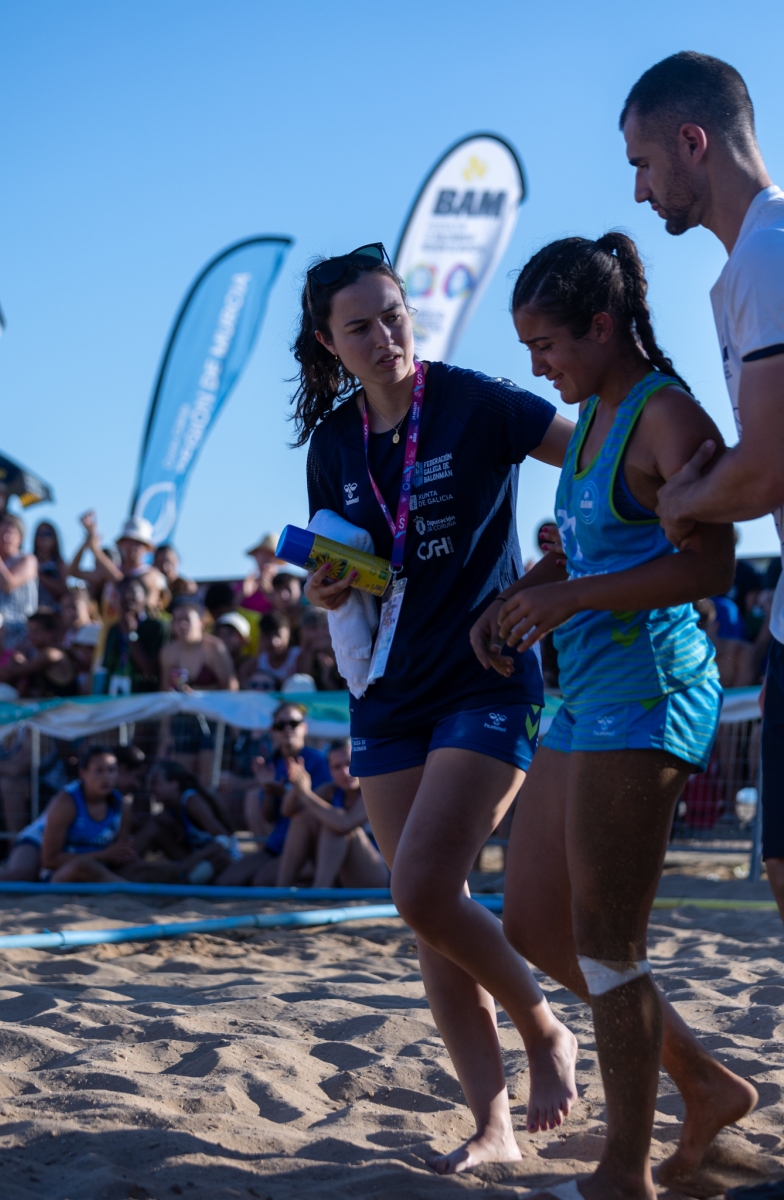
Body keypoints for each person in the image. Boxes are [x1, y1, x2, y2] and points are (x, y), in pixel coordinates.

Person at [472, 232, 757, 1200]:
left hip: (649, 695)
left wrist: (569, 598)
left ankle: (622, 1174)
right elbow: (595, 550)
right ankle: (704, 1083)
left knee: (605, 943)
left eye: (545, 345)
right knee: (531, 920)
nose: (535, 366)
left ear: (601, 326)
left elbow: (712, 566)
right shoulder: (592, 410)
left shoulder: (663, 414)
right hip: (586, 693)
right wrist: (523, 596)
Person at [296, 241, 577, 1172]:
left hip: (485, 677)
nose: (385, 337)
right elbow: (342, 561)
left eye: (394, 315)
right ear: (330, 343)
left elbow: (594, 463)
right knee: (432, 912)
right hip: (387, 690)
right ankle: (492, 1127)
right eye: (360, 327)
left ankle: (544, 1029)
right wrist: (326, 587)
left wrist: (560, 563)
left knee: (418, 888)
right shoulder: (334, 444)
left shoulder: (475, 400)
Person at [619, 53, 784, 928]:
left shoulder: (769, 255)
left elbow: (768, 469)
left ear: (693, 142)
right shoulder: (757, 258)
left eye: (645, 163)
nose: (640, 190)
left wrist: (678, 503)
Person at [221, 702, 331, 885]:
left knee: (262, 882)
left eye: (293, 724)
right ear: (273, 731)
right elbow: (269, 817)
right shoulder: (272, 762)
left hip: (307, 847)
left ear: (304, 728)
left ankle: (314, 874)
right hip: (278, 844)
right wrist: (269, 791)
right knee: (227, 881)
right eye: (280, 725)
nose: (287, 729)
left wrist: (286, 792)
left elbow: (322, 807)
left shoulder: (318, 761)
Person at [277, 738, 389, 888]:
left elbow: (345, 824)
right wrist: (297, 787)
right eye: (337, 767)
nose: (345, 772)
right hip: (340, 872)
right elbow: (288, 811)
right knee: (304, 818)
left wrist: (305, 794)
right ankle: (282, 889)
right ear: (330, 771)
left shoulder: (373, 790)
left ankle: (319, 891)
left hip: (378, 872)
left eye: (349, 763)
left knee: (336, 828)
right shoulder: (330, 790)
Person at [159, 599, 238, 782]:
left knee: (207, 780)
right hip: (183, 721)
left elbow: (231, 690)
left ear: (201, 622)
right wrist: (165, 735)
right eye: (177, 620)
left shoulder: (215, 648)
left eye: (187, 619)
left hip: (213, 720)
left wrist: (199, 696)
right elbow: (165, 693)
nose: (181, 625)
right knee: (182, 778)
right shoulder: (168, 652)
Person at [130, 759, 240, 884]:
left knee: (218, 859)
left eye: (155, 783)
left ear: (174, 784)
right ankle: (128, 864)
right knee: (154, 827)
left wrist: (194, 859)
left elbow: (225, 839)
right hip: (195, 857)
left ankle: (185, 880)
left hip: (220, 860)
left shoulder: (191, 800)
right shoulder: (170, 806)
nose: (150, 789)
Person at [41, 745, 135, 883]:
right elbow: (49, 860)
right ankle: (128, 890)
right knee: (82, 866)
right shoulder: (65, 803)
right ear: (83, 773)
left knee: (153, 868)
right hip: (62, 877)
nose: (106, 777)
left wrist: (124, 854)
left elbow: (117, 857)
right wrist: (102, 855)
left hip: (105, 874)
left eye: (111, 770)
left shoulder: (123, 805)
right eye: (99, 771)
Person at [0, 608, 78, 698]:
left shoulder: (50, 654)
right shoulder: (40, 653)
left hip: (67, 708)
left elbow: (10, 673)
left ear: (51, 632)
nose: (30, 635)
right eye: (29, 630)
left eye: (36, 630)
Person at [102, 576, 166, 694]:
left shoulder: (156, 627)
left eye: (133, 592)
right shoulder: (114, 629)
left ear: (145, 597)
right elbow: (107, 665)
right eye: (122, 592)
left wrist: (131, 634)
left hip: (143, 695)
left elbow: (151, 671)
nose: (127, 596)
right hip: (114, 693)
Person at [0, 513, 38, 648]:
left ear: (21, 537)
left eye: (10, 533)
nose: (6, 538)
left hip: (18, 633)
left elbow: (7, 583)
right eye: (1, 533)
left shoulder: (27, 560)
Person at [246, 611, 299, 688]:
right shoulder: (257, 663)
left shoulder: (299, 657)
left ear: (289, 633)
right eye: (268, 636)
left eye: (278, 635)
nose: (274, 642)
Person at [236, 534, 281, 613]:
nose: (267, 557)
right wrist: (242, 595)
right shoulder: (243, 586)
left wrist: (270, 594)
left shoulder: (284, 585)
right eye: (263, 553)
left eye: (271, 554)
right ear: (256, 556)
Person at [33, 520, 68, 607]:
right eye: (39, 534)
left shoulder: (59, 563)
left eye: (48, 534)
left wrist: (40, 576)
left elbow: (63, 590)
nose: (43, 538)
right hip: (31, 609)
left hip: (53, 609)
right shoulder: (30, 561)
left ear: (54, 538)